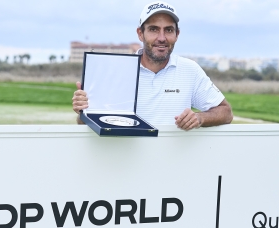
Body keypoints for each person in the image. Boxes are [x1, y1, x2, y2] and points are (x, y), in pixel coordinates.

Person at [72, 1, 233, 131]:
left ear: (177, 34)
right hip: (126, 164)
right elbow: (84, 123)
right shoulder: (118, 71)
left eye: (169, 30)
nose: (161, 38)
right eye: (154, 29)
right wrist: (83, 112)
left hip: (175, 166)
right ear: (140, 33)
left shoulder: (190, 70)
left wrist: (199, 118)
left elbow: (226, 112)